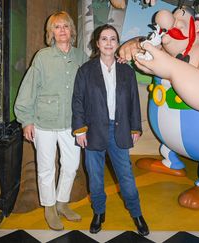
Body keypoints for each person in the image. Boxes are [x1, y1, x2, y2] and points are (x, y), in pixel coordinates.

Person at [118, 5, 199, 209]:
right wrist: (135, 43)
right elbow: (147, 45)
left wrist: (171, 68)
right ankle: (170, 162)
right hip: (170, 136)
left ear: (197, 25)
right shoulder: (167, 47)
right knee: (168, 143)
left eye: (179, 18)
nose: (170, 22)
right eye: (170, 19)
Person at [71, 24, 149, 236]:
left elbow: (133, 100)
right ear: (97, 43)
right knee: (95, 177)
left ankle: (137, 213)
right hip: (93, 131)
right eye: (104, 39)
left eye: (112, 39)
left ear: (117, 43)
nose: (108, 42)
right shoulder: (85, 71)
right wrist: (80, 130)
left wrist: (135, 127)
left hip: (120, 129)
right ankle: (99, 212)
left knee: (126, 177)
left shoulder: (126, 70)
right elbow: (78, 101)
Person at [14, 11, 88, 231]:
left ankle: (61, 202)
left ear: (71, 30)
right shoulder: (42, 56)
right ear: (51, 32)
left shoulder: (80, 57)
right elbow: (28, 88)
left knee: (71, 165)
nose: (62, 30)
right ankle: (49, 207)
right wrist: (26, 120)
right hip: (43, 122)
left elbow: (91, 85)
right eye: (57, 27)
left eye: (65, 26)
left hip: (72, 123)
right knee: (46, 168)